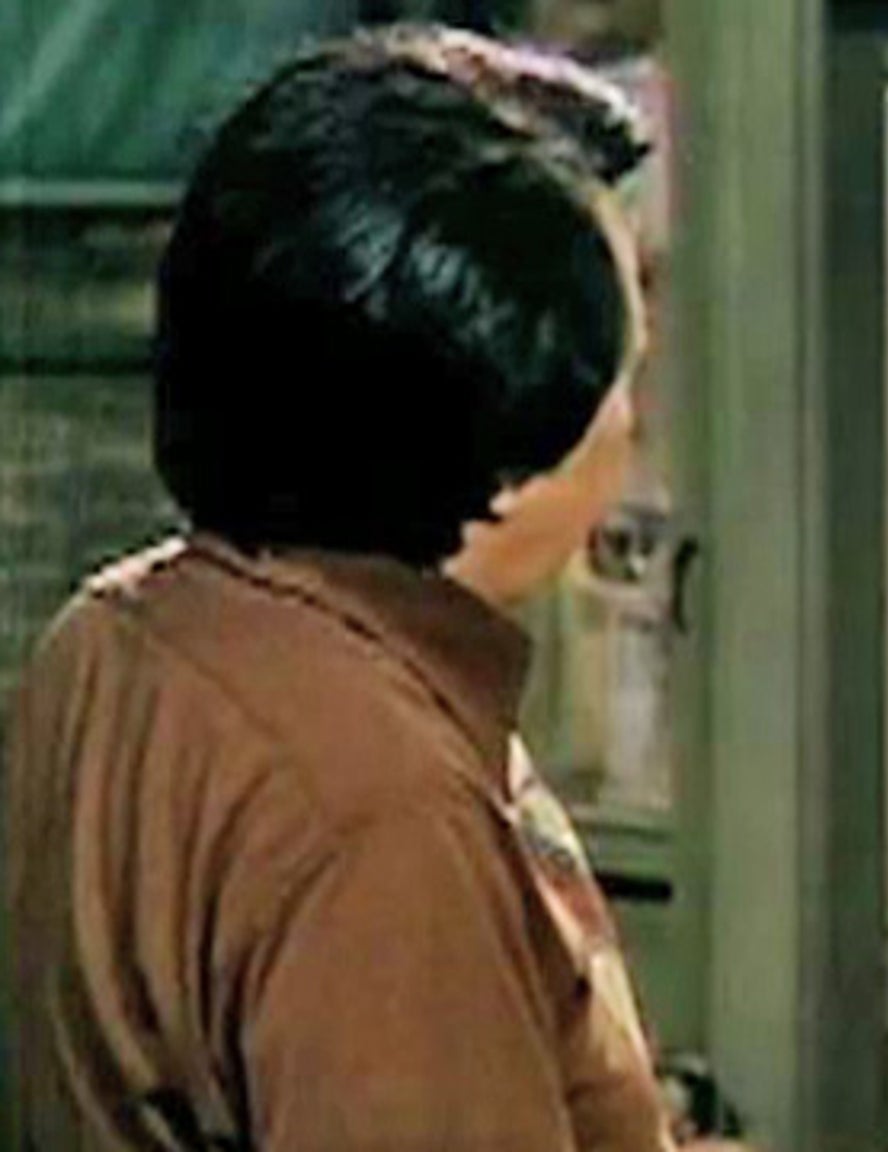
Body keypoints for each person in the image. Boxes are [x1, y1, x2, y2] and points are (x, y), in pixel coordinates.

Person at [4, 26, 674, 1148]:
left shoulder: (115, 636)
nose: (635, 425)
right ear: (509, 456)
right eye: (623, 380)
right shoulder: (381, 812)